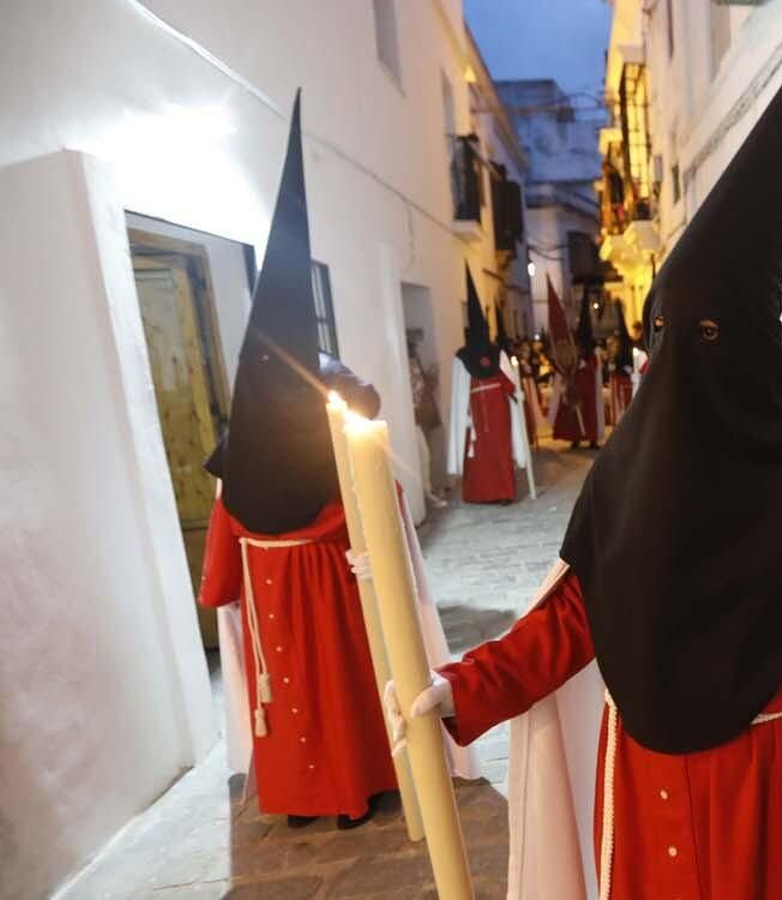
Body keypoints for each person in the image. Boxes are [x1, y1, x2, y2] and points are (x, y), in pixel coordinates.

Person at [386, 17, 782, 898]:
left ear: (755, 346)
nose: (683, 357)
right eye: (668, 332)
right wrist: (467, 686)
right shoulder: (632, 471)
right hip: (645, 797)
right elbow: (574, 616)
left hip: (775, 803)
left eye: (707, 333)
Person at [197, 94, 474, 828]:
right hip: (332, 585)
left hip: (273, 589)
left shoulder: (246, 431)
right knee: (343, 679)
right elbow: (379, 508)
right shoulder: (333, 409)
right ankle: (356, 787)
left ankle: (304, 797)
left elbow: (226, 539)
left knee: (289, 689)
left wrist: (232, 577)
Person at [446, 267, 533, 504]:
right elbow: (460, 393)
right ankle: (482, 494)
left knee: (500, 452)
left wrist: (515, 391)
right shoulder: (462, 358)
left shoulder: (498, 354)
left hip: (498, 412)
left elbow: (510, 382)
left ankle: (505, 493)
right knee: (481, 456)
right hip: (476, 415)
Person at [547, 278, 602, 450]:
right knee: (573, 407)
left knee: (590, 411)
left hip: (588, 381)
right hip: (576, 379)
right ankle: (576, 437)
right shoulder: (574, 341)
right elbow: (567, 356)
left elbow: (595, 362)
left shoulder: (592, 345)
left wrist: (587, 363)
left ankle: (592, 438)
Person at [406, 332, 448, 508]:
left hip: (426, 412)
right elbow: (418, 388)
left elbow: (421, 385)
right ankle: (428, 492)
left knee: (430, 452)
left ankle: (434, 488)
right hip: (419, 415)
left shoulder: (413, 363)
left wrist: (429, 377)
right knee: (424, 454)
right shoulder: (408, 365)